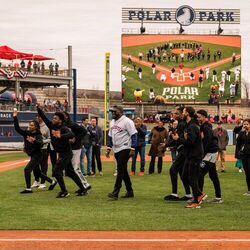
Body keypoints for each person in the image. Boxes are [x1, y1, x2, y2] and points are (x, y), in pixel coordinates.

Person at [37, 105, 87, 198]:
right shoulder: (51, 125)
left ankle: (64, 191)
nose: (53, 119)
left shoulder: (63, 128)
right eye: (53, 117)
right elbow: (43, 117)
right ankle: (83, 189)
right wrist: (39, 109)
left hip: (66, 153)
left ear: (60, 120)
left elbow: (71, 134)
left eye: (55, 118)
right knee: (70, 172)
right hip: (62, 153)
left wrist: (61, 136)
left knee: (56, 171)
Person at [13, 109, 57, 194]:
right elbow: (17, 128)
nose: (30, 126)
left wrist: (34, 141)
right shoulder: (27, 133)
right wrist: (15, 117)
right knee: (38, 172)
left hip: (38, 155)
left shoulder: (38, 135)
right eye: (30, 125)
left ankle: (28, 189)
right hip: (33, 155)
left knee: (27, 169)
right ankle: (52, 182)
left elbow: (40, 144)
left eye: (32, 125)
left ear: (36, 127)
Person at [172, 107, 205, 208]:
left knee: (192, 178)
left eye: (184, 111)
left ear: (188, 113)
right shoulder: (189, 125)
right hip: (189, 154)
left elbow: (190, 142)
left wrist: (178, 139)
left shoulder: (193, 126)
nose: (183, 113)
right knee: (184, 176)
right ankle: (199, 194)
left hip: (195, 155)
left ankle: (196, 202)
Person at [106, 105, 137, 200]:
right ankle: (130, 191)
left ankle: (115, 192)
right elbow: (110, 136)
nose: (113, 113)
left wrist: (132, 148)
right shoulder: (112, 122)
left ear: (120, 112)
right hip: (116, 148)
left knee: (120, 168)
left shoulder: (127, 121)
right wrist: (109, 147)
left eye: (115, 111)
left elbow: (134, 134)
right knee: (123, 170)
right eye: (112, 112)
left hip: (125, 147)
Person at [164, 107, 191, 201]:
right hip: (183, 150)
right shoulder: (182, 124)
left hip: (183, 151)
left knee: (173, 170)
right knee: (182, 173)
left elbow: (178, 139)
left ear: (180, 114)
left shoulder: (182, 124)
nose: (173, 115)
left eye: (175, 113)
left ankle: (174, 194)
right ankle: (188, 194)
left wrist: (166, 144)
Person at [196, 110, 222, 204]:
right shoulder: (205, 126)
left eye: (199, 117)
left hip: (210, 153)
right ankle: (218, 197)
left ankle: (199, 196)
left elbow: (206, 142)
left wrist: (202, 155)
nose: (198, 118)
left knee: (200, 173)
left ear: (204, 117)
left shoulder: (205, 127)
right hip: (211, 152)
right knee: (213, 175)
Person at [63, 112, 91, 192]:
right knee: (74, 168)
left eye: (63, 116)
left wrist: (76, 138)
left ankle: (84, 185)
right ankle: (84, 184)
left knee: (74, 168)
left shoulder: (72, 124)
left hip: (75, 147)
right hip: (70, 148)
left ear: (67, 117)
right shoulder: (64, 125)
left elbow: (84, 131)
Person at [31, 115, 52, 189]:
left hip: (44, 148)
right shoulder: (34, 126)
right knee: (35, 166)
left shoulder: (46, 127)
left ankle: (43, 182)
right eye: (37, 117)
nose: (38, 118)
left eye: (39, 117)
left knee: (43, 166)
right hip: (35, 149)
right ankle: (36, 181)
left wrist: (42, 142)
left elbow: (50, 139)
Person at [236, 119, 250, 196]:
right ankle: (249, 191)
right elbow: (237, 140)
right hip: (244, 155)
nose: (245, 125)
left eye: (247, 124)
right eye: (244, 124)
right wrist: (241, 131)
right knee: (247, 173)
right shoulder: (243, 133)